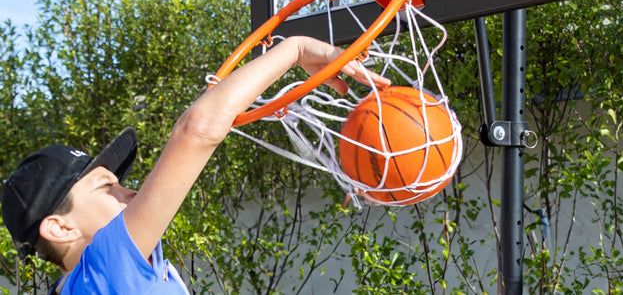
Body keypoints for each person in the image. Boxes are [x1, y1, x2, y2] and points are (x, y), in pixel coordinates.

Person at [1, 35, 388, 293]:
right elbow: (196, 130)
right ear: (59, 227)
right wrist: (296, 50)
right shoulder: (107, 266)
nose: (130, 190)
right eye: (108, 188)